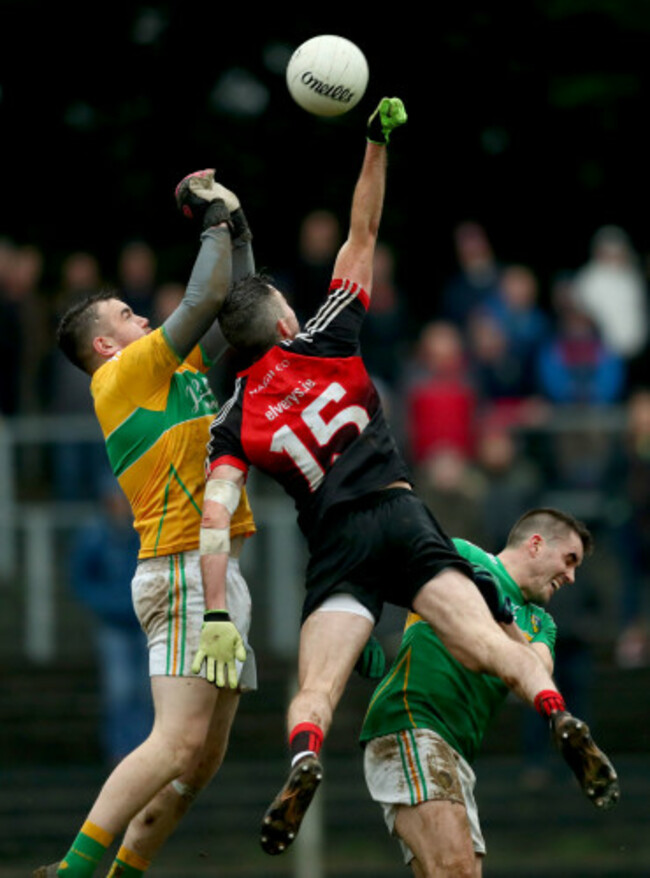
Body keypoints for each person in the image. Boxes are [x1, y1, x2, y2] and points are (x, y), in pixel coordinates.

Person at [196, 97, 619, 859]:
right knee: (494, 643)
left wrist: (220, 615)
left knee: (317, 689)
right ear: (289, 323)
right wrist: (375, 144)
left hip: (337, 547)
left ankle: (303, 756)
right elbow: (363, 231)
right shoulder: (325, 337)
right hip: (400, 514)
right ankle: (557, 711)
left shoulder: (234, 421)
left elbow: (216, 517)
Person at [35, 172, 257, 878]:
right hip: (183, 568)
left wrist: (239, 228)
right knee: (172, 743)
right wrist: (210, 223)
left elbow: (237, 311)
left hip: (215, 570)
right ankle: (72, 873)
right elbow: (200, 299)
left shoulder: (171, 367)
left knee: (202, 758)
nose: (142, 320)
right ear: (105, 346)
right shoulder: (121, 376)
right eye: (128, 314)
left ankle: (122, 872)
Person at [360, 508, 605, 876]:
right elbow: (376, 568)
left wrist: (502, 617)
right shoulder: (462, 556)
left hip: (455, 752)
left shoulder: (542, 623)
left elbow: (534, 676)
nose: (571, 577)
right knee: (456, 869)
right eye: (569, 560)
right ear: (536, 545)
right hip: (411, 722)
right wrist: (363, 629)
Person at [69, 479, 153, 767]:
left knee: (147, 690)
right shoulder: (94, 536)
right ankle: (120, 751)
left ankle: (145, 751)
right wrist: (108, 606)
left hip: (144, 624)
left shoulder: (141, 533)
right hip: (114, 627)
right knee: (119, 690)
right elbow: (82, 581)